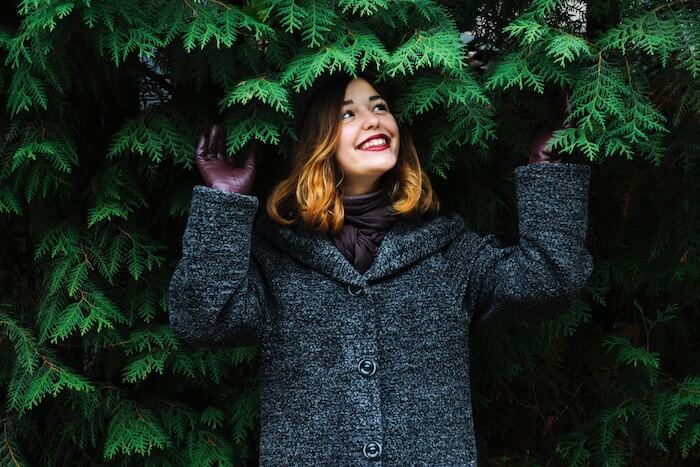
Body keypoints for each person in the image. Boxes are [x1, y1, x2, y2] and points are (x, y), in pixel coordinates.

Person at [168, 71, 593, 466]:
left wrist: (547, 175)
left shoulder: (448, 250)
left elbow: (548, 281)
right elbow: (203, 321)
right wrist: (223, 205)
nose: (372, 120)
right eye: (348, 114)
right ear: (319, 141)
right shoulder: (276, 254)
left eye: (380, 107)